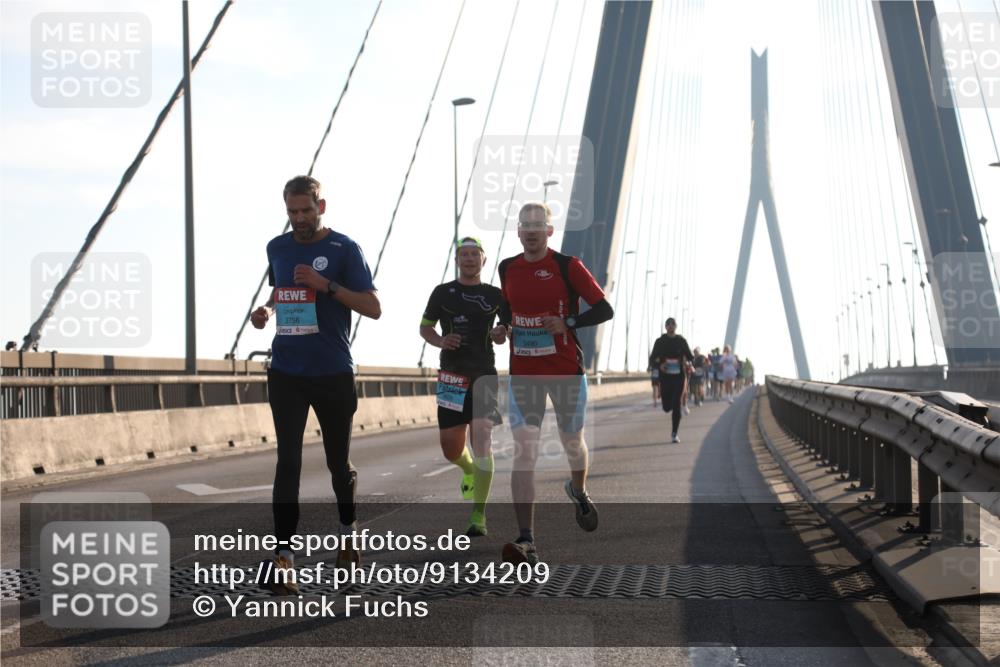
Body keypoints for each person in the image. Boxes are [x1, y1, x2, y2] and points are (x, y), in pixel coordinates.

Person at [250, 175, 381, 595]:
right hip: (287, 369)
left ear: (321, 207)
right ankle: (284, 558)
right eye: (292, 212)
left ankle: (348, 532)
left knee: (337, 466)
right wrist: (267, 311)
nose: (299, 219)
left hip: (332, 371)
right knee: (287, 463)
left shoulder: (344, 248)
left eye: (306, 210)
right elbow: (280, 289)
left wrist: (326, 285)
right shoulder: (278, 247)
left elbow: (373, 307)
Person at [496, 202, 614, 565]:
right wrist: (501, 328)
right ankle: (526, 540)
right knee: (525, 451)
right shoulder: (507, 268)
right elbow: (506, 308)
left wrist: (568, 324)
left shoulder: (568, 266)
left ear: (549, 230)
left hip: (565, 371)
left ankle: (578, 489)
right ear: (518, 231)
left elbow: (603, 309)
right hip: (524, 373)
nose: (531, 231)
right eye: (525, 225)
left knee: (572, 442)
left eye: (538, 225)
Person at [419, 237, 505, 537]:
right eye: (463, 254)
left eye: (474, 254)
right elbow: (425, 326)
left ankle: (478, 515)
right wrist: (441, 340)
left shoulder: (495, 295)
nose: (469, 259)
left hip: (483, 374)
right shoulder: (443, 293)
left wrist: (501, 331)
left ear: (484, 260)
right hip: (452, 376)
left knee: (482, 437)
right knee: (450, 447)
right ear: (457, 260)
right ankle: (468, 470)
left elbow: (509, 325)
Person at [649, 318, 693, 443]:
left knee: (676, 405)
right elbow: (652, 359)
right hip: (665, 377)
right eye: (668, 324)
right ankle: (667, 405)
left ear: (676, 326)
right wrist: (659, 366)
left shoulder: (681, 341)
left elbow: (691, 357)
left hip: (679, 377)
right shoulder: (660, 341)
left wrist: (687, 362)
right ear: (665, 327)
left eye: (672, 324)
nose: (670, 326)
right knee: (667, 407)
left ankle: (674, 433)